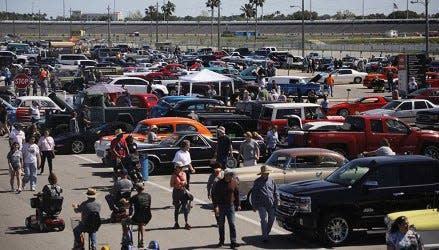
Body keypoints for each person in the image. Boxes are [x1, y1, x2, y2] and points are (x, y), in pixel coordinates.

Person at [212, 171, 241, 249]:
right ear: (225, 175)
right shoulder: (219, 183)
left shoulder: (234, 182)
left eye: (232, 175)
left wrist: (238, 204)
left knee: (232, 223)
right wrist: (216, 206)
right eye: (230, 175)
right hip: (221, 207)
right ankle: (221, 241)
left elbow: (237, 193)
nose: (232, 177)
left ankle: (233, 242)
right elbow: (214, 195)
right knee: (221, 225)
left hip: (230, 207)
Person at [251, 166, 278, 243]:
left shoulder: (272, 180)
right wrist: (254, 205)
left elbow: (275, 192)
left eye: (267, 173)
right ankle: (265, 237)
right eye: (265, 173)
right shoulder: (257, 182)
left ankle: (266, 232)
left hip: (271, 203)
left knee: (272, 218)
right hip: (261, 204)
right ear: (262, 174)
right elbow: (254, 194)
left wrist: (277, 201)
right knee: (264, 220)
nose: (267, 174)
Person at [128, 182, 152, 248]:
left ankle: (127, 239)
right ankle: (142, 240)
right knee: (141, 223)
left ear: (136, 189)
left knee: (124, 222)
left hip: (137, 218)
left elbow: (129, 206)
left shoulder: (134, 197)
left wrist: (124, 201)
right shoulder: (148, 195)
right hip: (147, 217)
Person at [169, 162, 192, 230]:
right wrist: (178, 184)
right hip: (176, 192)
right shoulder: (174, 175)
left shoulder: (184, 173)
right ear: (176, 168)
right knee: (177, 208)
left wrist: (184, 183)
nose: (181, 168)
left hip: (183, 192)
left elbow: (186, 182)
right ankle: (176, 223)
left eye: (182, 167)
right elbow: (171, 185)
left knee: (185, 208)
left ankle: (186, 223)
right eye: (180, 167)